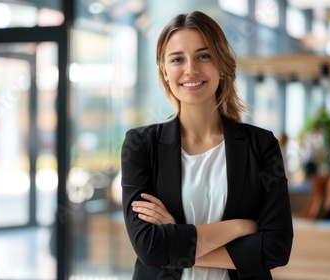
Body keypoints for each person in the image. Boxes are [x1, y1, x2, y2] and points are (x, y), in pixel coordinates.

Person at [121, 11, 293, 280]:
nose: (191, 69)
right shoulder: (142, 145)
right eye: (178, 59)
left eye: (204, 55)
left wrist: (176, 233)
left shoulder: (261, 145)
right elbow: (149, 247)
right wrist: (238, 227)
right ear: (165, 71)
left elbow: (276, 248)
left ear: (222, 64)